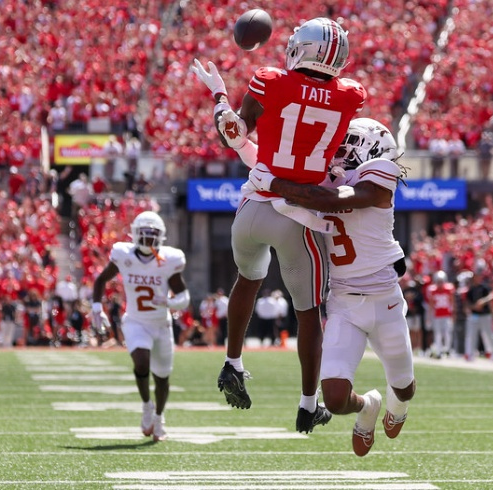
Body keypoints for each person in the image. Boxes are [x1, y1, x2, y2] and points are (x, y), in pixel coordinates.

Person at [191, 16, 365, 433]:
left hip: (252, 209)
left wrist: (218, 96)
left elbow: (233, 135)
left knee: (246, 280)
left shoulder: (270, 80)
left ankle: (233, 362)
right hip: (297, 218)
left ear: (301, 48)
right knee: (308, 314)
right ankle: (308, 406)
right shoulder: (350, 95)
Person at [247, 117, 414, 457]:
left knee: (405, 387)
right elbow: (273, 167)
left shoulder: (381, 174)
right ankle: (369, 405)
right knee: (336, 399)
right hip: (343, 301)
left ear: (373, 146)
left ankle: (398, 405)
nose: (340, 147)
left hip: (386, 302)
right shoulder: (326, 178)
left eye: (350, 141)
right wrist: (241, 143)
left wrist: (278, 185)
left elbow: (334, 200)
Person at [91, 211, 190, 442]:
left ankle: (158, 416)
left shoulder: (168, 260)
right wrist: (97, 308)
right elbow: (100, 280)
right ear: (136, 234)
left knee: (163, 378)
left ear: (160, 236)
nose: (147, 240)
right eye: (143, 234)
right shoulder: (124, 255)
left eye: (152, 235)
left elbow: (184, 297)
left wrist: (168, 302)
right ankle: (146, 405)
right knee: (141, 361)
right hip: (136, 321)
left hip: (161, 324)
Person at [426, 271, 455, 358]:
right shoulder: (432, 290)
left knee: (447, 333)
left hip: (446, 315)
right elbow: (431, 304)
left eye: (441, 281)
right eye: (438, 281)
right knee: (437, 334)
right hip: (437, 315)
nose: (440, 283)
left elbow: (452, 302)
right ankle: (438, 352)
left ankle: (447, 350)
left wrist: (453, 314)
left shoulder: (449, 289)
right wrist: (429, 317)